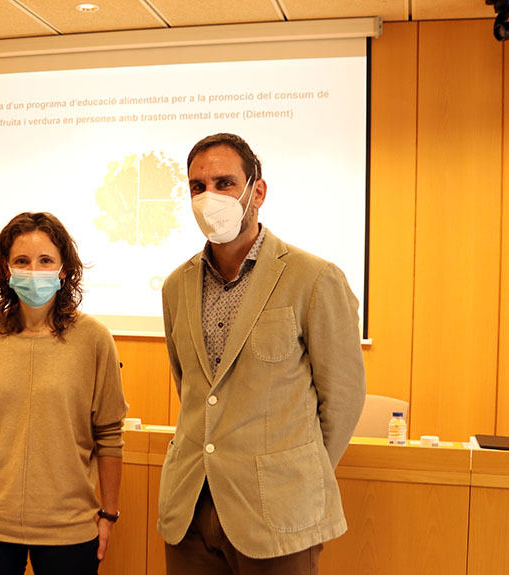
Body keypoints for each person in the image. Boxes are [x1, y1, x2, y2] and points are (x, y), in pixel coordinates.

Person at [157, 133, 366, 574]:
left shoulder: (314, 278)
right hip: (190, 511)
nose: (210, 197)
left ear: (257, 191)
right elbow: (194, 389)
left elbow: (343, 399)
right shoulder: (176, 285)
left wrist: (296, 475)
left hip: (279, 515)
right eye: (198, 187)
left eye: (224, 183)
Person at [0, 212, 128, 575]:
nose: (34, 271)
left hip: (68, 526)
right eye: (22, 261)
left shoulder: (94, 338)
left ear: (64, 269)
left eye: (46, 261)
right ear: (5, 269)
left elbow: (109, 434)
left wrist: (109, 514)